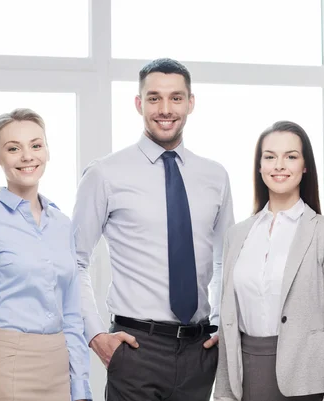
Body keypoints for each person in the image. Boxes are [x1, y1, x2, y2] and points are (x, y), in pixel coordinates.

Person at [72, 58, 234, 401]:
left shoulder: (215, 176)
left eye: (176, 98)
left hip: (200, 350)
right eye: (154, 98)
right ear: (138, 103)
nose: (165, 109)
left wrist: (222, 324)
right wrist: (96, 335)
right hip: (135, 350)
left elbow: (226, 260)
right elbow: (75, 261)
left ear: (191, 102)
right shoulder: (105, 174)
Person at [0, 108, 92, 401]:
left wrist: (81, 387)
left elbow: (73, 314)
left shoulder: (62, 224)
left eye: (36, 145)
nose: (27, 156)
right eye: (14, 148)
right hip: (6, 363)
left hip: (58, 365)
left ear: (47, 152)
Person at [214, 121, 324, 401]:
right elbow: (228, 321)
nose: (279, 165)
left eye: (290, 156)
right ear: (259, 166)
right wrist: (224, 392)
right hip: (247, 377)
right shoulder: (237, 234)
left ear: (305, 166)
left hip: (306, 381)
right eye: (270, 157)